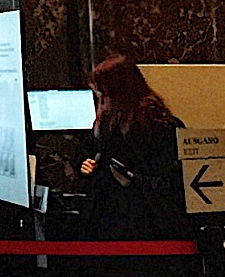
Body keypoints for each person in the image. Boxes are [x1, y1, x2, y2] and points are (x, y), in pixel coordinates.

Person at [79, 55, 191, 239]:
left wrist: (131, 179)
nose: (102, 102)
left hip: (139, 221)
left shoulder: (156, 124)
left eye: (104, 94)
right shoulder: (115, 123)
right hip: (132, 218)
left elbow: (172, 181)